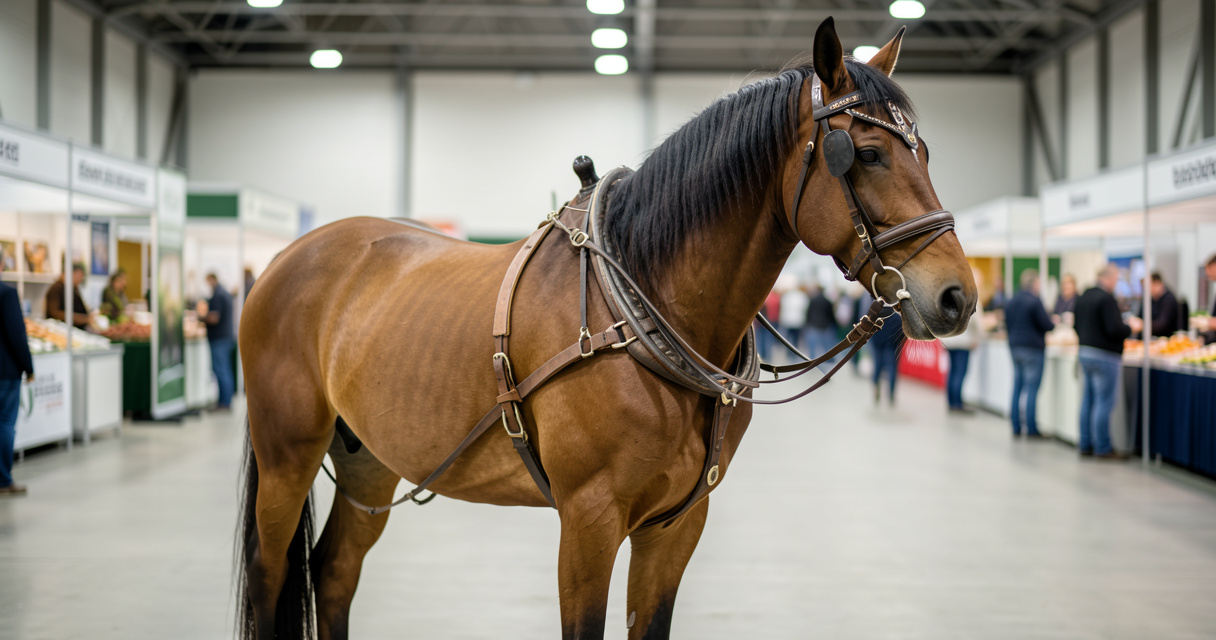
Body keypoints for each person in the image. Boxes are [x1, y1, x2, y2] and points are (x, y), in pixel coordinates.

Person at [1075, 263, 1142, 459]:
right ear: (1110, 278)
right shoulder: (1106, 299)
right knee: (1104, 402)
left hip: (1085, 352)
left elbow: (1076, 325)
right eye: (1116, 279)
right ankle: (1103, 447)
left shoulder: (1084, 296)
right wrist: (1131, 328)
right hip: (1105, 356)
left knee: (1088, 400)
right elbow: (1114, 329)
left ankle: (1085, 443)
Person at [1004, 269, 1054, 438]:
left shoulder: (1011, 301)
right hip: (1033, 349)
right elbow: (1047, 325)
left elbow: (1007, 324)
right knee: (1032, 388)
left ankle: (1016, 426)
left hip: (1015, 347)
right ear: (1034, 283)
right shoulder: (1034, 301)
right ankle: (1031, 428)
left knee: (1017, 386)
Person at [1, 283, 34, 496]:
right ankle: (3, 479)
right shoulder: (6, 293)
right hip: (4, 371)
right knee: (4, 423)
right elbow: (16, 333)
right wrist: (28, 367)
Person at [940, 269, 983, 413]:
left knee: (952, 372)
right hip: (964, 340)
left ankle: (952, 402)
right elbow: (975, 321)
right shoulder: (971, 294)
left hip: (950, 339)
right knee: (960, 372)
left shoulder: (949, 295)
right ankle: (957, 404)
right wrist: (978, 337)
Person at [198, 273, 235, 410]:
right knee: (224, 370)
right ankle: (224, 401)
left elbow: (214, 318)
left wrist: (201, 317)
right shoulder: (224, 293)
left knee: (221, 371)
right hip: (225, 338)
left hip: (219, 339)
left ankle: (224, 403)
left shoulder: (218, 295)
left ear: (212, 279)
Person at [870, 312, 903, 405]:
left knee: (877, 367)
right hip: (892, 345)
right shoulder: (897, 315)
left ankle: (876, 389)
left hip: (878, 344)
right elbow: (901, 332)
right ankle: (891, 393)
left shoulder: (876, 312)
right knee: (892, 368)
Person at [45, 263, 90, 329]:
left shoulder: (74, 288)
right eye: (79, 275)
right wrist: (82, 319)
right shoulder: (57, 289)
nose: (80, 279)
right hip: (60, 329)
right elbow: (54, 313)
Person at [803, 284, 838, 365]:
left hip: (813, 325)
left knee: (812, 347)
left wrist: (807, 323)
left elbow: (808, 312)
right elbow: (831, 314)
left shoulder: (812, 300)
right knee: (827, 346)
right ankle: (829, 360)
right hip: (825, 325)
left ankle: (811, 361)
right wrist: (835, 324)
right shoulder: (827, 301)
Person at [1144, 272, 1179, 337]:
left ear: (1157, 283)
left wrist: (1143, 325)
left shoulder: (1169, 299)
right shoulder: (1152, 298)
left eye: (1149, 285)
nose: (1146, 289)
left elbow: (1162, 324)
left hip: (1167, 338)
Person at [779, 283, 809, 357]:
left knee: (789, 338)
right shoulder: (802, 296)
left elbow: (783, 308)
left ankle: (789, 352)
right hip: (798, 321)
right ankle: (794, 352)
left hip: (788, 320)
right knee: (795, 338)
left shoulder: (786, 296)